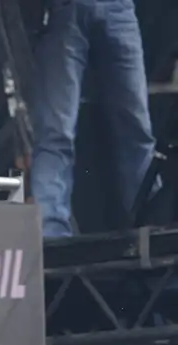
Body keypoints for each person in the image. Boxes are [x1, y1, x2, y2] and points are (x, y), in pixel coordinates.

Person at [30, 0, 159, 238]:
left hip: (118, 9)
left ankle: (151, 227)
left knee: (137, 130)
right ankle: (50, 237)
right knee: (56, 133)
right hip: (66, 8)